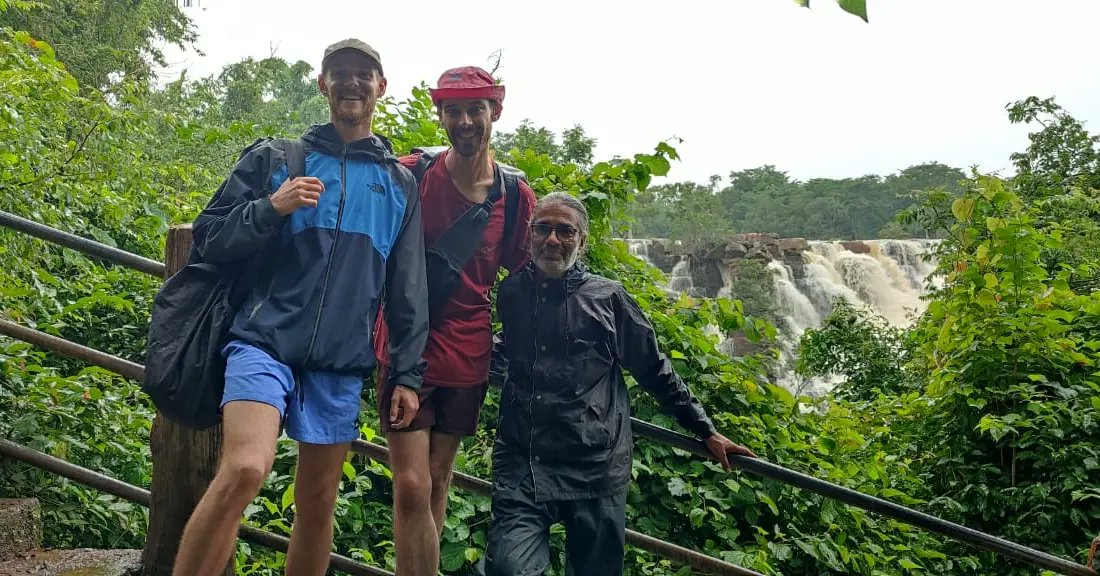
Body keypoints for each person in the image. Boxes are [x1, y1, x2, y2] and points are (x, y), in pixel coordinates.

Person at [172, 39, 429, 576]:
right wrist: (271, 207)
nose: (352, 83)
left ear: (381, 86)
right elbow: (209, 237)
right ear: (323, 84)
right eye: (340, 73)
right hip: (263, 341)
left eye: (363, 74)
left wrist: (406, 373)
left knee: (317, 501)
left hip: (339, 359)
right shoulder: (278, 160)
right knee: (245, 467)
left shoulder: (399, 184)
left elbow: (408, 289)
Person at [484, 192, 757, 576]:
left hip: (595, 466)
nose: (552, 240)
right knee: (509, 569)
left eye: (565, 231)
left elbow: (653, 369)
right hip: (524, 460)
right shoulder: (512, 293)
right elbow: (501, 352)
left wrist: (706, 430)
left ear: (582, 240)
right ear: (529, 235)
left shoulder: (609, 299)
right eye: (543, 228)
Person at [371, 66, 537, 576]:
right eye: (455, 111)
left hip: (468, 357)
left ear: (496, 112)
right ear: (440, 115)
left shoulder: (513, 196)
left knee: (439, 478)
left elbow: (527, 278)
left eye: (476, 110)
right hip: (404, 350)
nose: (466, 121)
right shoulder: (412, 174)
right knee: (411, 484)